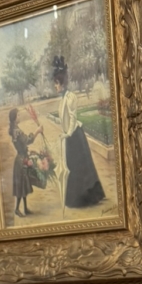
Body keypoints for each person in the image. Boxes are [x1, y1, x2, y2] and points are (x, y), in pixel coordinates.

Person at [53, 55, 105, 209]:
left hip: (75, 136)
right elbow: (64, 119)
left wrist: (67, 134)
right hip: (70, 136)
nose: (55, 87)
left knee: (80, 167)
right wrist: (60, 128)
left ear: (61, 83)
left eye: (56, 84)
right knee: (73, 166)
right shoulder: (62, 99)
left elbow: (73, 118)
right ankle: (80, 198)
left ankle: (83, 199)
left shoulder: (71, 98)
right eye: (55, 84)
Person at [8, 107, 35, 217]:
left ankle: (25, 208)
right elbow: (28, 140)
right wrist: (36, 132)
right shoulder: (17, 130)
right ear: (14, 118)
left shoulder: (14, 129)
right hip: (21, 160)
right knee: (21, 186)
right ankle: (17, 209)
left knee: (23, 185)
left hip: (20, 159)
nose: (19, 117)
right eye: (18, 115)